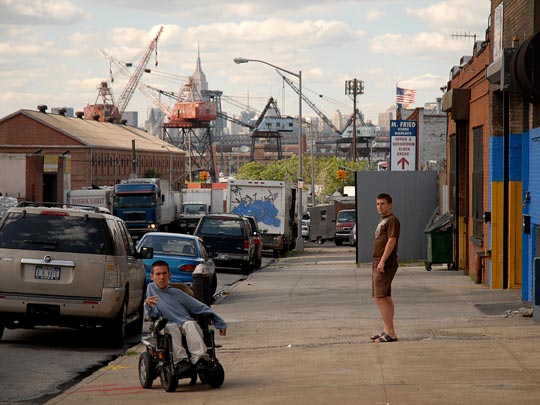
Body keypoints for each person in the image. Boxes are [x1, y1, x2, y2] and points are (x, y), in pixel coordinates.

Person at [144, 260, 227, 374]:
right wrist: (147, 304)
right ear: (152, 276)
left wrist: (219, 321)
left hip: (184, 323)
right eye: (158, 274)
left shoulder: (177, 293)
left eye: (164, 273)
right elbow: (152, 314)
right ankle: (180, 361)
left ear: (169, 275)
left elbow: (199, 306)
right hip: (165, 325)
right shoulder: (151, 290)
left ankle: (200, 360)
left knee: (191, 324)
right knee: (172, 327)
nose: (162, 277)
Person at [370, 193, 400, 343]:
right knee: (384, 297)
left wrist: (382, 262)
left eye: (382, 204)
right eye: (377, 204)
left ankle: (391, 332)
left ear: (390, 205)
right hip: (378, 262)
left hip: (385, 263)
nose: (380, 207)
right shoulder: (384, 220)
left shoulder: (392, 220)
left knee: (380, 297)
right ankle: (387, 329)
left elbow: (391, 241)